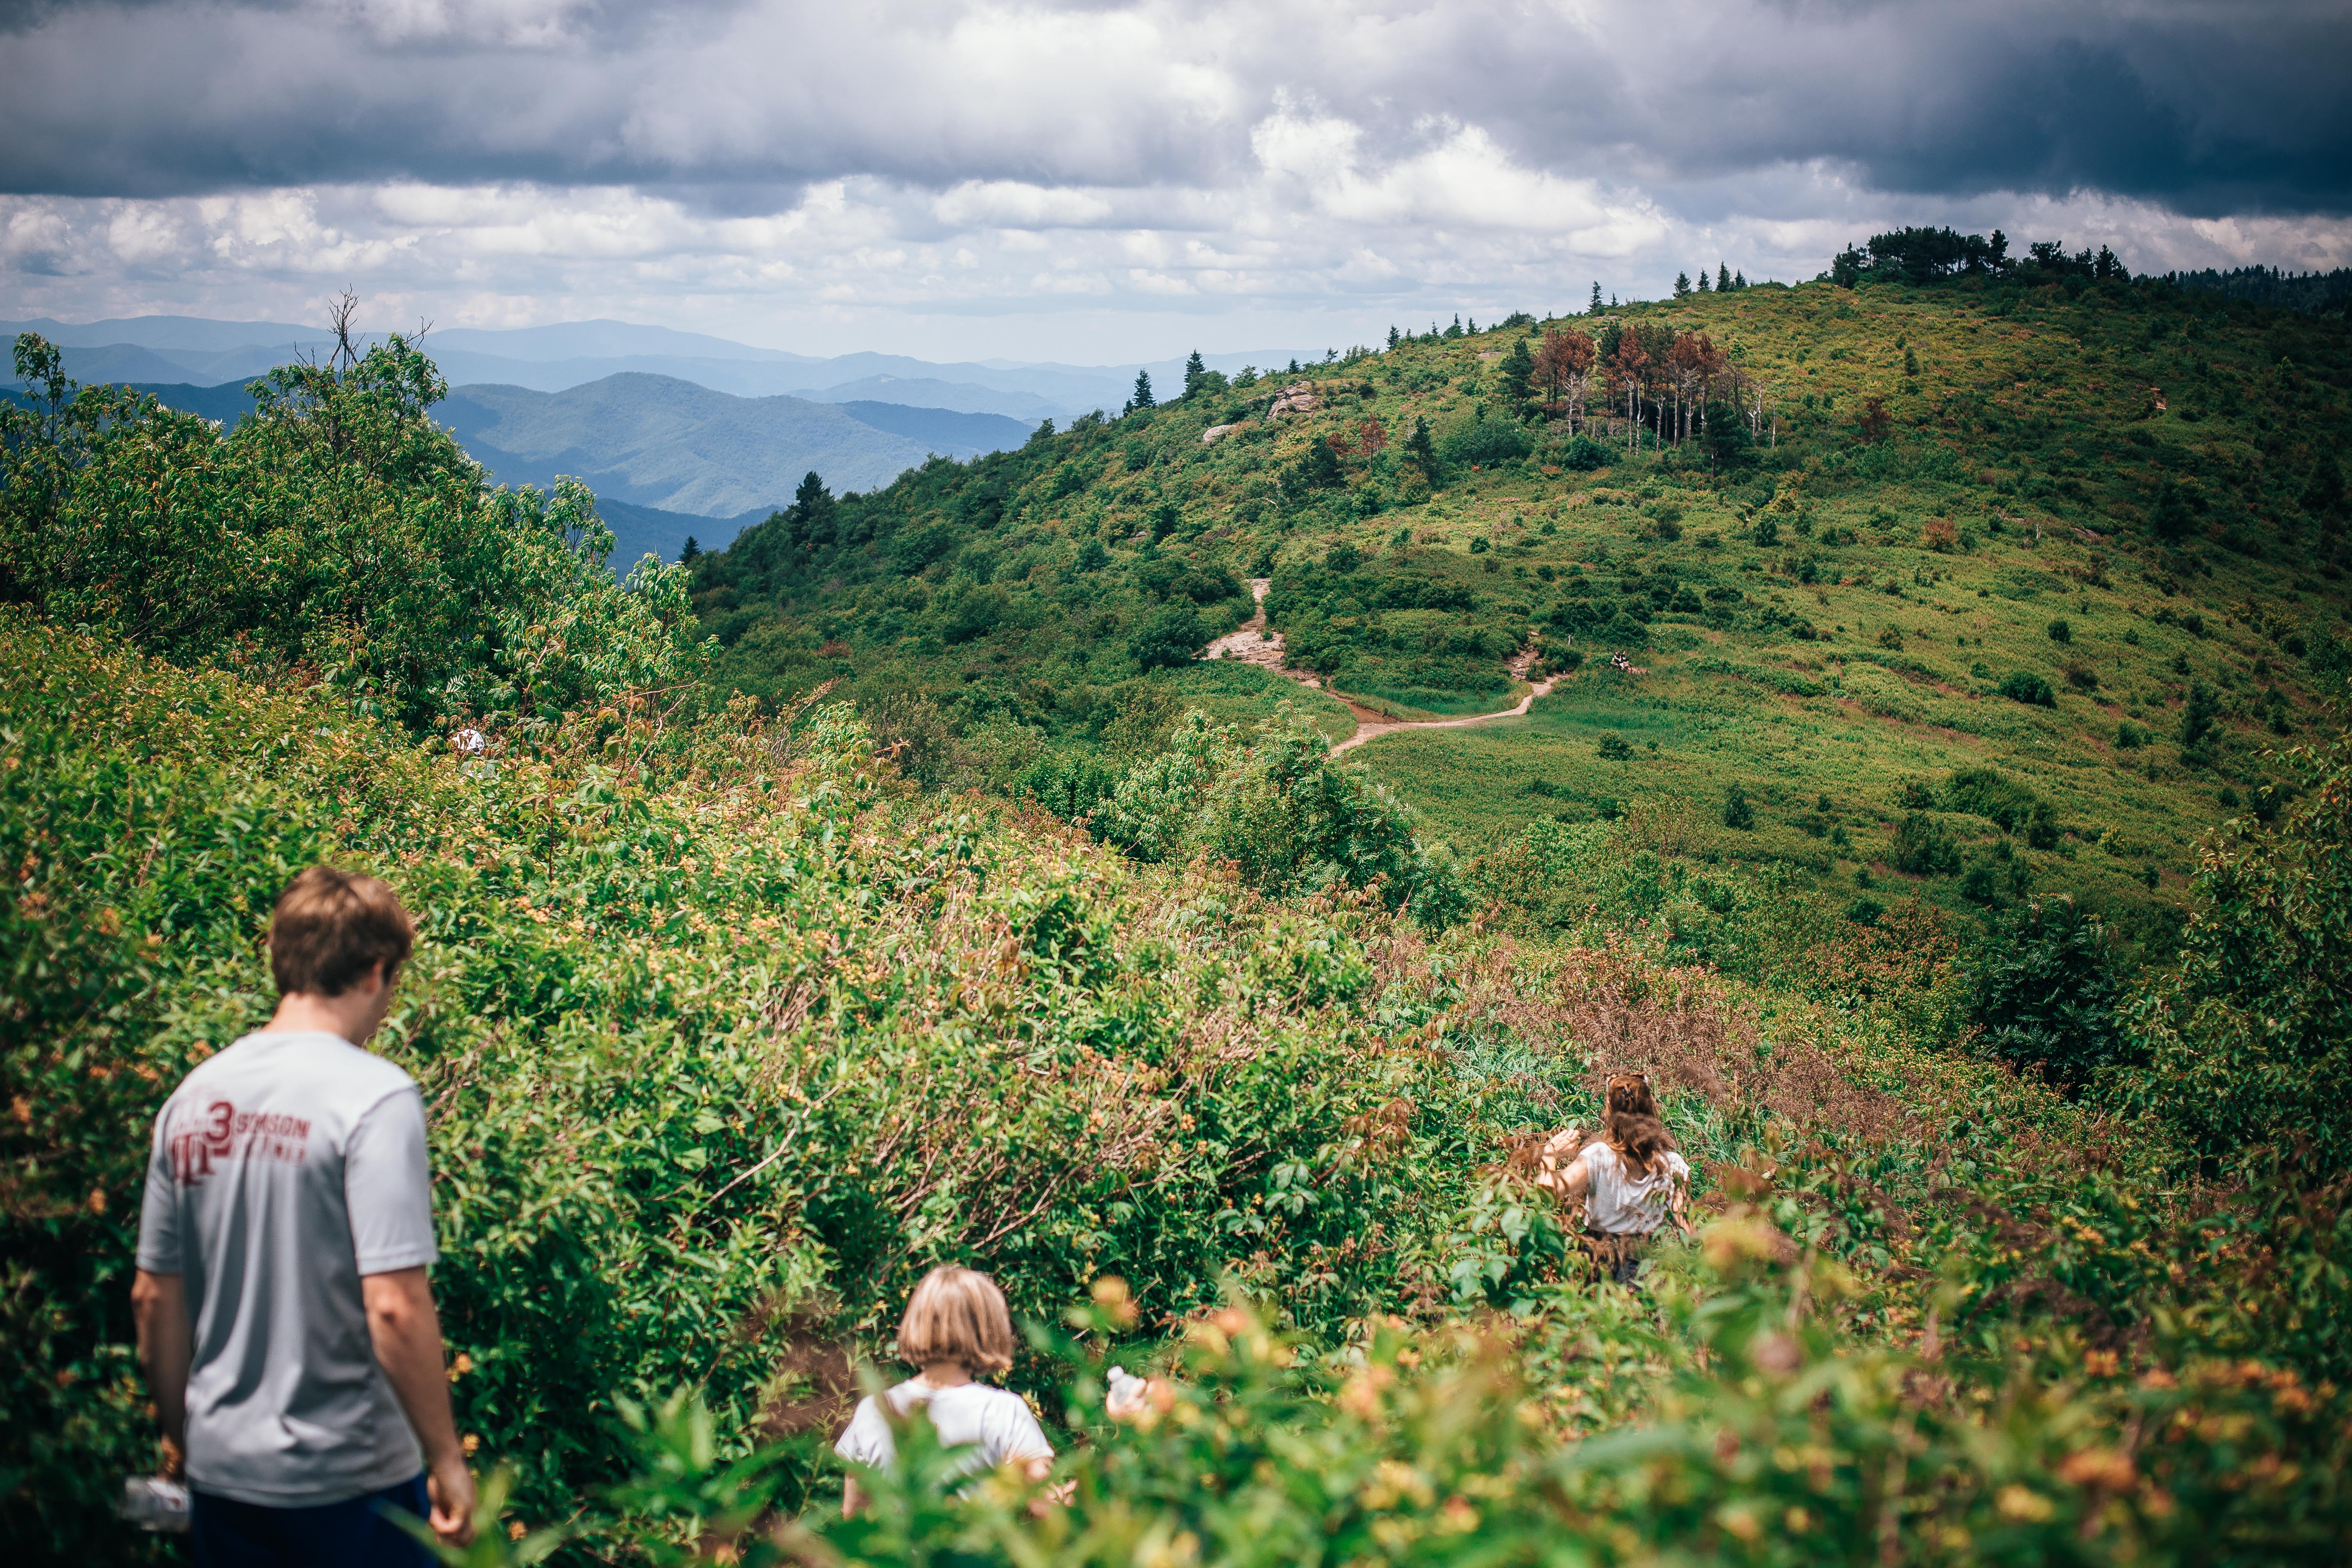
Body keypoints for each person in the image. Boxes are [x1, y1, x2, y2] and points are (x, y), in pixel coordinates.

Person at [132, 867, 475, 1565]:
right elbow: (393, 1305)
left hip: (224, 1475)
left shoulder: (191, 1099)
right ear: (378, 971)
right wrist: (446, 1458)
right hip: (350, 1478)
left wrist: (187, 1435)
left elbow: (152, 1296)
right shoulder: (374, 1097)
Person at [834, 1266, 1055, 1516]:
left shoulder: (875, 1409)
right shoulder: (1004, 1411)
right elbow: (1043, 1507)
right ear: (988, 1327)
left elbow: (853, 1516)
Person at [1551, 1072, 1692, 1285]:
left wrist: (1549, 1154)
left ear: (1608, 1112)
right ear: (1651, 1110)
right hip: (1647, 1256)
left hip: (1599, 1255)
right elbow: (1686, 1224)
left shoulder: (1597, 1156)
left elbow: (1547, 1192)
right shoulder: (1672, 1164)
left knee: (1599, 1314)